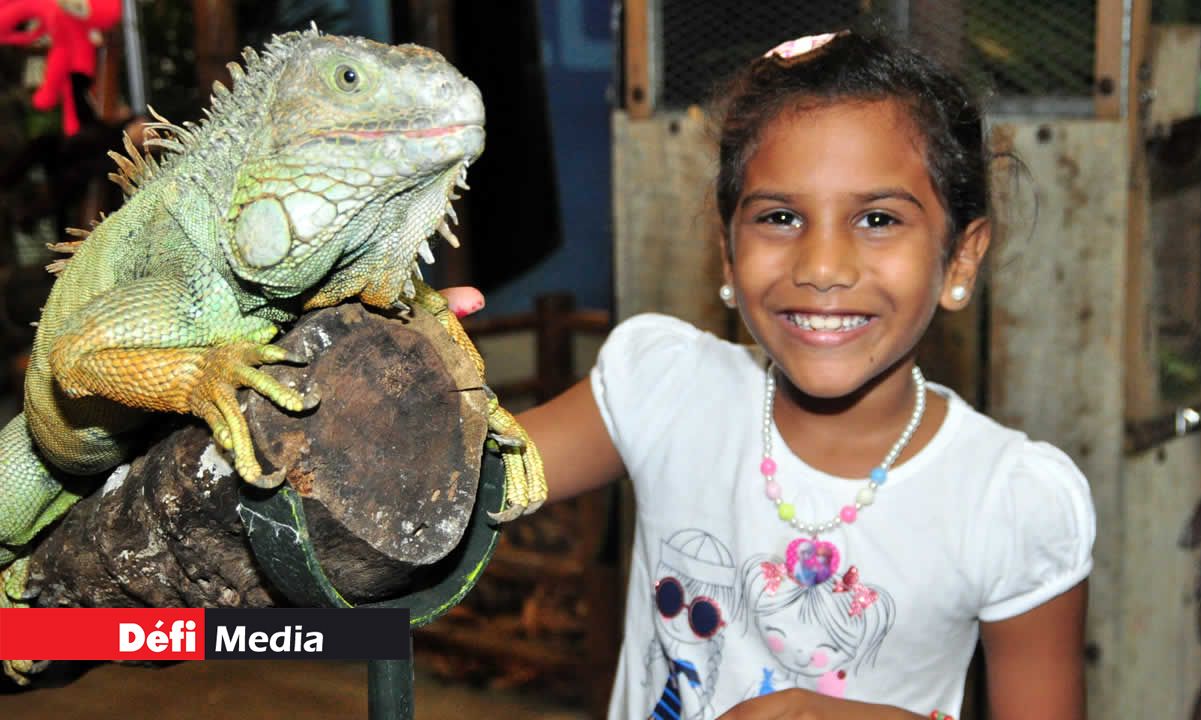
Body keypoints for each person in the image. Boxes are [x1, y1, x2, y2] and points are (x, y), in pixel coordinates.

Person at [441, 27, 1094, 720]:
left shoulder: (1009, 502)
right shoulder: (665, 391)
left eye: (877, 219)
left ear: (961, 257)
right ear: (728, 252)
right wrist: (398, 369)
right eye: (780, 217)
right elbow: (446, 488)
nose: (822, 267)